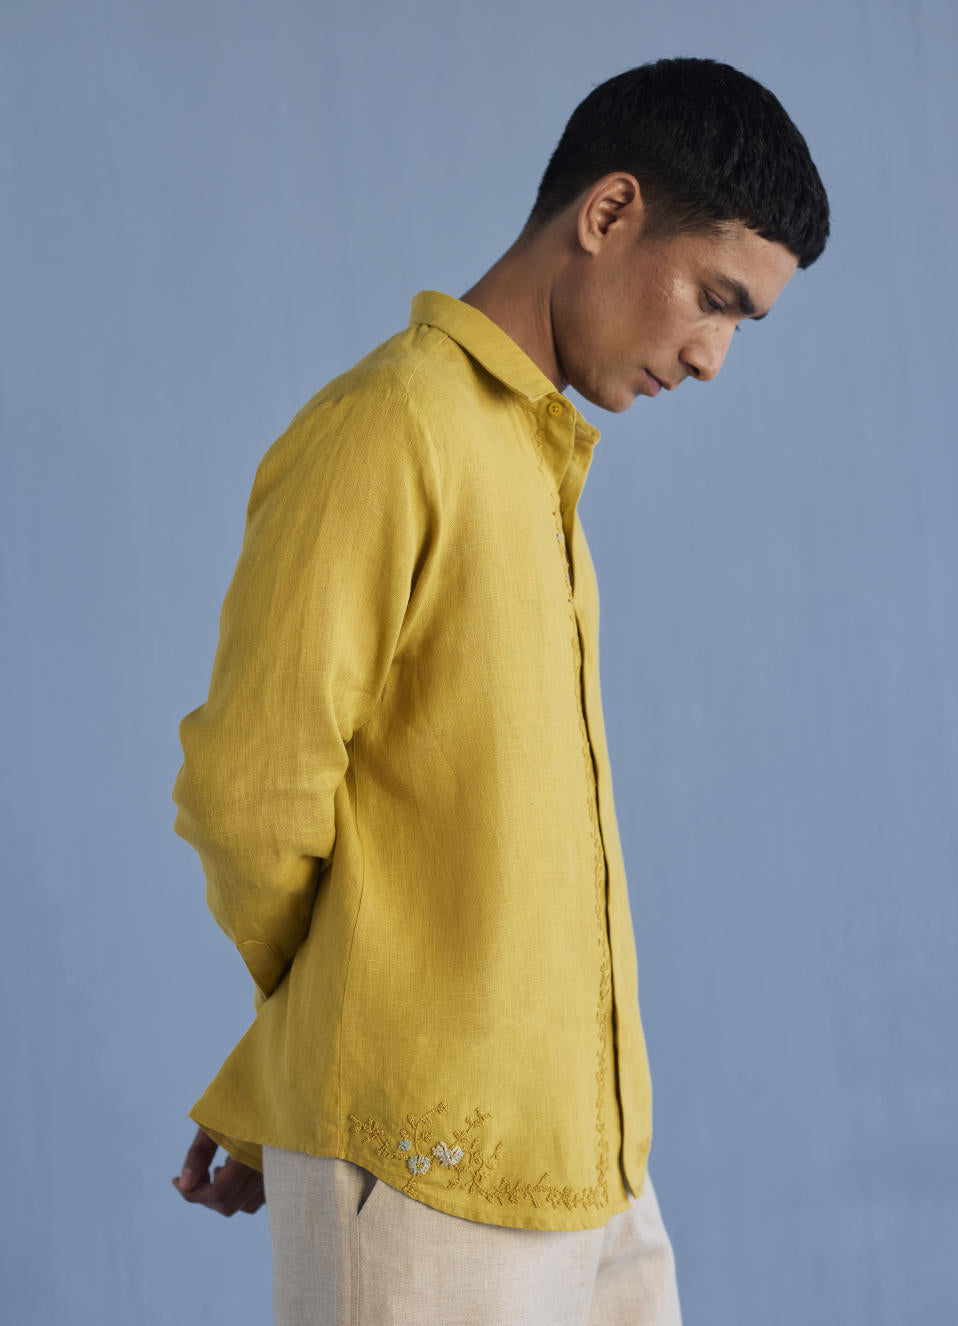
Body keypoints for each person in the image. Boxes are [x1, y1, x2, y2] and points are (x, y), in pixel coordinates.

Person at [170, 55, 829, 1325]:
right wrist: (324, 1057)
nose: (712, 358)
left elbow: (461, 859)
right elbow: (249, 795)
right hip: (422, 1177)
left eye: (741, 322)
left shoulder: (533, 460)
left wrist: (292, 1053)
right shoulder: (390, 426)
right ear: (609, 211)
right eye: (713, 298)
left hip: (595, 1169)